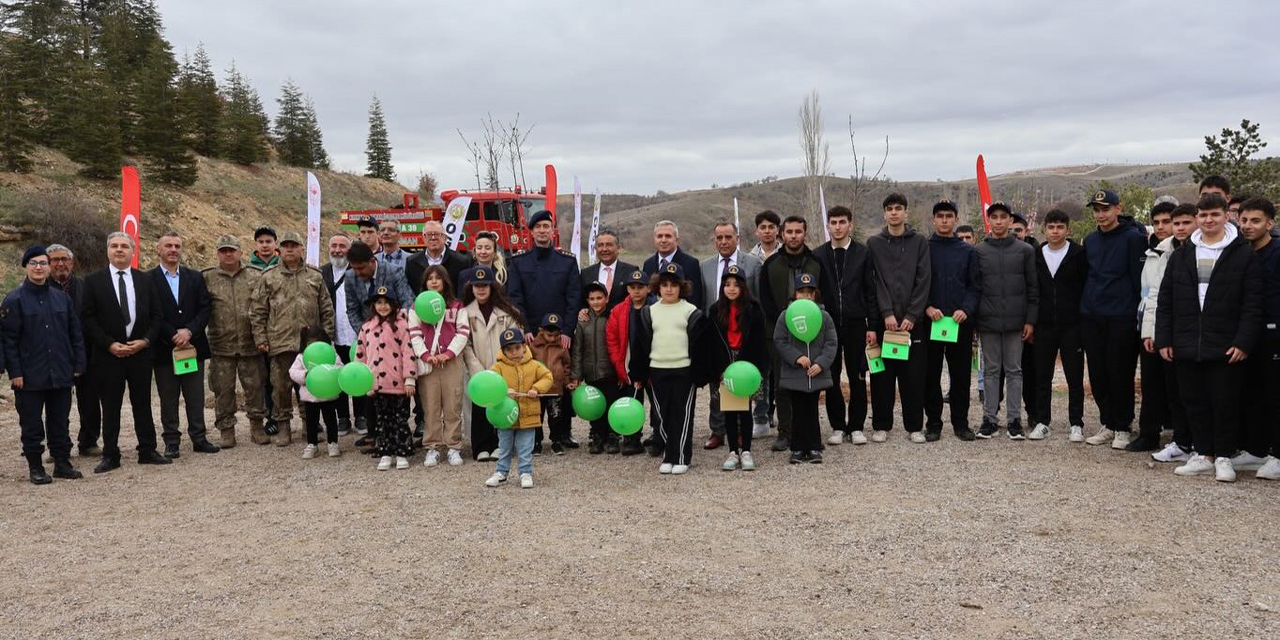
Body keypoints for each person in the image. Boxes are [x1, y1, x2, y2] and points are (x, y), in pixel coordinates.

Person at [1156, 193, 1261, 483]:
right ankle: (1203, 454)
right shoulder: (1182, 255)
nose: (1208, 220)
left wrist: (1243, 341)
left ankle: (1225, 456)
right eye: (1203, 215)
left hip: (1226, 344)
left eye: (1214, 214)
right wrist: (1164, 338)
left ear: (1227, 215)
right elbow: (1166, 300)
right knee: (1194, 400)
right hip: (1187, 342)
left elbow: (1253, 303)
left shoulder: (1242, 254)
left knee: (1225, 402)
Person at [81, 232, 170, 473]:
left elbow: (157, 316)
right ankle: (111, 454)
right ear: (107, 251)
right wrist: (109, 344)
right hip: (109, 355)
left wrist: (146, 341)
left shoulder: (145, 280)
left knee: (142, 403)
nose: (119, 250)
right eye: (114, 246)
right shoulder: (92, 281)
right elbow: (87, 319)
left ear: (133, 251)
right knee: (111, 405)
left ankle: (147, 450)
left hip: (140, 353)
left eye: (124, 246)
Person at [3, 245, 87, 484]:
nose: (39, 268)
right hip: (29, 376)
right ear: (26, 267)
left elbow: (75, 334)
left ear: (49, 267)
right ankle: (36, 467)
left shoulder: (61, 298)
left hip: (60, 371)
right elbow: (8, 341)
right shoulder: (14, 299)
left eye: (43, 263)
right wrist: (15, 372)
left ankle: (62, 463)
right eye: (34, 264)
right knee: (31, 424)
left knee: (60, 421)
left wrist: (78, 363)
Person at [249, 231, 336, 447]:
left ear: (301, 249)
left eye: (294, 245)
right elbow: (258, 310)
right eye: (286, 246)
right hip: (280, 342)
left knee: (310, 383)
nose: (290, 249)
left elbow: (326, 308)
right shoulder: (269, 277)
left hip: (311, 344)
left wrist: (327, 339)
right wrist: (261, 337)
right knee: (280, 387)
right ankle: (284, 427)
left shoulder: (315, 276)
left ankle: (310, 424)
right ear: (280, 249)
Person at [628, 263, 713, 474]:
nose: (669, 289)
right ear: (657, 287)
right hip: (657, 370)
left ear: (681, 287)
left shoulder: (691, 312)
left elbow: (702, 347)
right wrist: (638, 374)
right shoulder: (649, 312)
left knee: (682, 415)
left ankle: (682, 457)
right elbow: (640, 346)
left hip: (684, 370)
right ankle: (669, 454)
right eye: (664, 285)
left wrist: (700, 375)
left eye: (674, 285)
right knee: (662, 415)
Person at [1079, 189, 1147, 449]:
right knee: (1098, 373)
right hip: (1092, 315)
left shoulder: (1133, 238)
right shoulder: (1091, 240)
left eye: (1105, 209)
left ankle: (1123, 425)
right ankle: (1108, 422)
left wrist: (1134, 314)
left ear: (1118, 209)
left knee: (1120, 372)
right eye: (1096, 210)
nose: (1101, 214)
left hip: (1121, 316)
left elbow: (1139, 279)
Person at [866, 193, 931, 442]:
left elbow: (923, 280)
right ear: (884, 213)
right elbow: (875, 282)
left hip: (912, 325)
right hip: (886, 324)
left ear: (906, 212)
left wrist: (913, 314)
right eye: (889, 209)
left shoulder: (919, 242)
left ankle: (914, 427)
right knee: (882, 377)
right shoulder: (874, 243)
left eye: (898, 208)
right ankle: (881, 425)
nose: (894, 212)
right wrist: (887, 313)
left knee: (913, 376)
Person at [757, 215, 824, 451]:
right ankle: (785, 431)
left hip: (810, 334)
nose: (793, 236)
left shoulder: (816, 262)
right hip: (778, 333)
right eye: (789, 232)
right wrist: (784, 324)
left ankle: (809, 432)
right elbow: (764, 298)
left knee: (809, 383)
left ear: (805, 233)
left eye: (798, 231)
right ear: (781, 235)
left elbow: (822, 296)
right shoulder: (771, 264)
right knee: (782, 383)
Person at [812, 206, 877, 445]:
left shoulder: (863, 253)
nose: (837, 227)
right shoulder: (818, 255)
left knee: (857, 374)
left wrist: (873, 326)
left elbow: (871, 292)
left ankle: (857, 426)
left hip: (857, 323)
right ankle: (838, 426)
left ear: (851, 225)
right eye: (833, 222)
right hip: (827, 325)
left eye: (842, 222)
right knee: (831, 375)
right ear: (828, 226)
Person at [149, 231, 218, 458]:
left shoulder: (194, 277)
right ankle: (171, 441)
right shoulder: (148, 280)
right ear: (158, 249)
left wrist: (189, 331)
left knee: (195, 396)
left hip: (192, 346)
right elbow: (151, 313)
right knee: (168, 398)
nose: (173, 250)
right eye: (168, 245)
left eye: (177, 246)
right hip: (164, 349)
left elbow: (205, 308)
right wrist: (173, 334)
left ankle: (199, 437)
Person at [973, 203, 1039, 439]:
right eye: (995, 217)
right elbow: (975, 288)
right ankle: (989, 419)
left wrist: (1030, 320)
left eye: (1003, 217)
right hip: (988, 321)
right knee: (991, 371)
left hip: (1016, 322)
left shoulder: (1025, 251)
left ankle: (1014, 420)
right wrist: (976, 322)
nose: (999, 221)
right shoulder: (978, 251)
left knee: (1014, 371)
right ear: (988, 220)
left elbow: (1033, 289)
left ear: (1011, 221)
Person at [1141, 204, 1198, 462]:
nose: (1179, 228)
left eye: (1186, 222)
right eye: (1176, 223)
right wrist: (1150, 331)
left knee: (1199, 393)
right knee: (1176, 391)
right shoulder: (1164, 253)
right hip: (1170, 330)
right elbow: (1155, 296)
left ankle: (1204, 444)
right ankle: (1182, 442)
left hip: (1201, 332)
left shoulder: (1211, 250)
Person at [700, 221, 763, 450]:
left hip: (743, 336)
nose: (724, 241)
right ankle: (718, 431)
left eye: (728, 237)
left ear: (737, 237)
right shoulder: (704, 266)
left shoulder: (754, 264)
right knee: (719, 389)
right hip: (718, 335)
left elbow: (758, 298)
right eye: (719, 238)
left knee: (742, 391)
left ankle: (741, 434)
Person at [923, 200, 980, 441]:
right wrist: (927, 307)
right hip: (931, 322)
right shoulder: (924, 249)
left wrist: (966, 309)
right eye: (940, 216)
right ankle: (933, 423)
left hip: (959, 323)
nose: (944, 220)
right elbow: (918, 284)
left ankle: (961, 424)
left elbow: (975, 286)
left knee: (960, 376)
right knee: (930, 375)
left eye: (949, 216)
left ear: (956, 219)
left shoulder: (967, 251)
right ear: (933, 219)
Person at [204, 236, 268, 446]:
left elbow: (263, 307)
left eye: (232, 250)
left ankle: (257, 427)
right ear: (218, 253)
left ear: (241, 252)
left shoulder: (255, 275)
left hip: (251, 345)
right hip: (221, 346)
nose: (228, 254)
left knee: (255, 388)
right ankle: (226, 430)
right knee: (223, 390)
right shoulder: (207, 277)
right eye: (223, 251)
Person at [705, 265, 770, 470]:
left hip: (746, 364)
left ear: (743, 287)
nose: (731, 288)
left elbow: (759, 342)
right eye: (727, 284)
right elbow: (713, 343)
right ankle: (733, 452)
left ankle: (747, 451)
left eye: (735, 284)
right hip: (725, 364)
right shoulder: (715, 310)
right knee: (730, 410)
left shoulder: (754, 309)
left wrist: (752, 367)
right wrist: (720, 369)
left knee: (745, 410)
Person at [1032, 209, 1089, 442]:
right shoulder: (1036, 254)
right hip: (1044, 325)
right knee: (1042, 376)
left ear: (1068, 229)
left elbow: (1086, 287)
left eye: (1060, 227)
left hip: (1072, 326)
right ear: (1045, 229)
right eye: (1051, 227)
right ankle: (1042, 422)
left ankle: (1076, 423)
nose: (1055, 231)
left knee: (1074, 377)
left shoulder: (1078, 253)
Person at [774, 272, 838, 463]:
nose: (806, 296)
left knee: (812, 411)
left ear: (815, 294)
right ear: (795, 294)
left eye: (810, 292)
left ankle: (814, 446)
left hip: (815, 373)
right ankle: (798, 448)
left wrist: (821, 363)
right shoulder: (785, 316)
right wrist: (797, 357)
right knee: (798, 411)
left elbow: (831, 343)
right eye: (801, 292)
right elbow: (780, 341)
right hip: (795, 373)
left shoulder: (824, 317)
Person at [409, 266, 470, 467]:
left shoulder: (456, 306)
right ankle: (432, 447)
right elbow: (414, 333)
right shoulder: (416, 307)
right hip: (428, 364)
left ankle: (453, 446)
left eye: (438, 278)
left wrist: (448, 353)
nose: (434, 282)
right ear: (424, 282)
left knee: (453, 404)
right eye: (430, 279)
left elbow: (463, 332)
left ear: (445, 281)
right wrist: (425, 355)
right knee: (431, 406)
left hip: (451, 362)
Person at [461, 266, 524, 460]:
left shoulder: (507, 312)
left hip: (502, 367)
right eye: (477, 286)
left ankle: (500, 445)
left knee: (500, 405)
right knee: (480, 406)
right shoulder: (465, 313)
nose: (481, 289)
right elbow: (465, 344)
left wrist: (501, 366)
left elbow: (515, 341)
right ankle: (480, 446)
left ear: (492, 287)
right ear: (471, 287)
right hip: (477, 368)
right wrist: (476, 368)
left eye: (485, 286)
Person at [1129, 201, 1178, 451]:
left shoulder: (1183, 252)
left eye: (1167, 221)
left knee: (1176, 385)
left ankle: (1181, 438)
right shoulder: (1153, 252)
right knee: (1150, 382)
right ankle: (1149, 433)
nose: (1161, 227)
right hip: (1149, 324)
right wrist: (1147, 330)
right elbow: (1149, 295)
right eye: (1157, 222)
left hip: (1176, 328)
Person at [1237, 197, 1280, 478]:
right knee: (1250, 392)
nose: (1248, 226)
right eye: (1243, 220)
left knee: (1275, 394)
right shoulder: (1241, 253)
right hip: (1247, 333)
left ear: (1270, 223)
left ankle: (1277, 454)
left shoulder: (1277, 252)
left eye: (1255, 220)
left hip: (1275, 333)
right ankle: (1256, 450)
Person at [47, 243, 99, 457]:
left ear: (72, 263)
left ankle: (88, 442)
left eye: (64, 259)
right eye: (55, 260)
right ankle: (58, 446)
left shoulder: (86, 286)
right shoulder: (41, 289)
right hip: (54, 357)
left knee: (90, 401)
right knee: (56, 406)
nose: (60, 264)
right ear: (48, 264)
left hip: (85, 353)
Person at [358, 286, 418, 470]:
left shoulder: (401, 325)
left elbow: (408, 352)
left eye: (386, 303)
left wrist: (410, 379)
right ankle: (385, 452)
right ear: (373, 305)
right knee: (382, 420)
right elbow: (361, 355)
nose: (382, 306)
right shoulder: (367, 327)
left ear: (393, 304)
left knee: (400, 418)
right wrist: (362, 381)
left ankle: (401, 451)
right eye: (379, 302)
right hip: (376, 384)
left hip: (398, 383)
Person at [487, 327, 553, 489]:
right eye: (509, 349)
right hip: (505, 416)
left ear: (524, 346)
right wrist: (503, 390)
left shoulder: (534, 365)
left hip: (528, 415)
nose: (515, 352)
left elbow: (547, 376)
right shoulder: (498, 367)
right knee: (504, 446)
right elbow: (490, 383)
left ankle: (525, 473)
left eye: (517, 347)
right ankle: (501, 472)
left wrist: (536, 389)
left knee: (525, 447)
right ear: (503, 351)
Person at [507, 210, 582, 344]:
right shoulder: (518, 262)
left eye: (546, 226)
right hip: (531, 335)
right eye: (538, 226)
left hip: (560, 335)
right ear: (532, 232)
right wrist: (525, 328)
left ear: (553, 231)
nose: (542, 230)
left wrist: (567, 331)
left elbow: (574, 299)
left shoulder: (567, 262)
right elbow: (515, 299)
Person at [605, 268, 654, 456]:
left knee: (656, 402)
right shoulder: (619, 311)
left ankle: (658, 434)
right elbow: (612, 340)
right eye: (632, 287)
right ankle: (632, 438)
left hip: (652, 364)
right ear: (627, 290)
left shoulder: (656, 307)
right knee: (633, 400)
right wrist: (620, 368)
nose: (636, 291)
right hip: (630, 365)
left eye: (640, 287)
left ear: (648, 289)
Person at [570, 282, 621, 454]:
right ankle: (598, 435)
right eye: (592, 299)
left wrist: (620, 371)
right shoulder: (583, 321)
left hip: (610, 372)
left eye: (599, 298)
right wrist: (576, 375)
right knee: (595, 406)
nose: (596, 302)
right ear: (587, 301)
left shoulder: (612, 317)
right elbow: (577, 350)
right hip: (591, 373)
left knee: (611, 403)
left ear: (606, 299)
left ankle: (613, 435)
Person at [321, 233, 357, 436]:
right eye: (333, 245)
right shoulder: (321, 272)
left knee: (357, 373)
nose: (337, 250)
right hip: (333, 335)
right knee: (336, 376)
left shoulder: (357, 269)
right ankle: (342, 417)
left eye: (342, 246)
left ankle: (361, 416)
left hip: (355, 333)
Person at [289, 326, 343, 460]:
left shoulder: (331, 354)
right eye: (309, 343)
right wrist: (305, 376)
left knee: (330, 420)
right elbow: (293, 371)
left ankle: (333, 443)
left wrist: (330, 372)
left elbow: (340, 367)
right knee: (311, 421)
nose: (313, 346)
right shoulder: (302, 357)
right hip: (310, 396)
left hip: (328, 396)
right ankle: (312, 444)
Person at [248, 226, 280, 431]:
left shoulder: (284, 265)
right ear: (256, 245)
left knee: (290, 377)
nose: (265, 245)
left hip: (282, 332)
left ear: (275, 244)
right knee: (267, 379)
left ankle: (306, 420)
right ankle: (272, 418)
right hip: (260, 332)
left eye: (269, 241)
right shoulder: (249, 270)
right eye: (261, 242)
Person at [529, 313, 573, 454]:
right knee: (537, 416)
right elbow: (528, 366)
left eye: (556, 335)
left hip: (556, 388)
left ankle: (556, 441)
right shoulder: (533, 346)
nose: (553, 338)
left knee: (555, 416)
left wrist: (566, 382)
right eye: (549, 335)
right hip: (538, 390)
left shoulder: (562, 347)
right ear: (541, 330)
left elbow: (567, 366)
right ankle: (536, 442)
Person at [642, 220, 704, 309]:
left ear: (677, 240)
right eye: (659, 236)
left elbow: (695, 300)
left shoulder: (691, 264)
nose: (663, 240)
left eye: (668, 236)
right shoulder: (648, 264)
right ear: (654, 239)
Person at [406, 220, 472, 296]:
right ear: (423, 238)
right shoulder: (412, 262)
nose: (433, 238)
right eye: (429, 234)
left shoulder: (461, 261)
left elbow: (465, 291)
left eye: (437, 234)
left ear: (445, 237)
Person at [580, 229, 638, 314]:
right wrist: (583, 310)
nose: (604, 249)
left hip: (622, 323)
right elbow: (582, 301)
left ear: (618, 248)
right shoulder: (586, 273)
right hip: (595, 325)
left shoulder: (631, 271)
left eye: (609, 245)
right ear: (595, 248)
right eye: (600, 245)